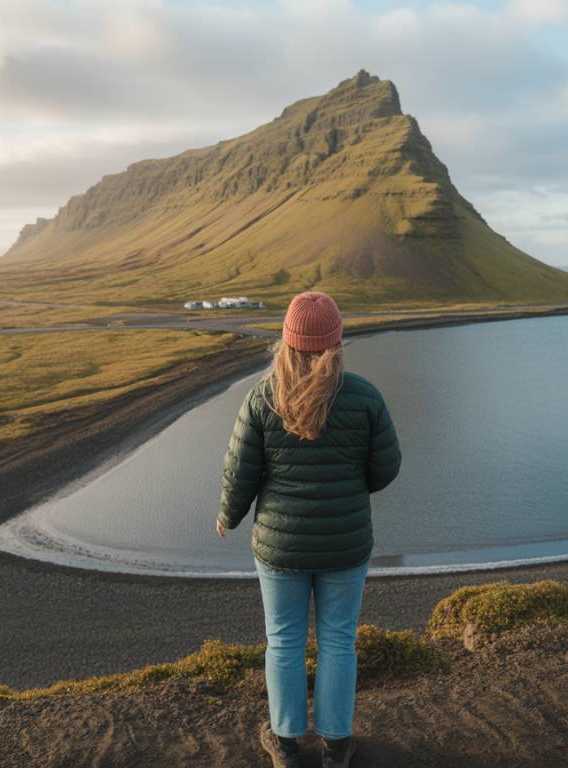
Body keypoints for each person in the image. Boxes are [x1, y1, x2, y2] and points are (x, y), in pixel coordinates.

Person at [216, 290, 402, 768]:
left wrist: (227, 516)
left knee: (283, 640)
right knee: (339, 638)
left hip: (280, 547)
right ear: (336, 343)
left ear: (287, 342)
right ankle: (337, 747)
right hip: (346, 542)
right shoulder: (363, 396)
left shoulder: (262, 398)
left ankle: (286, 744)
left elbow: (241, 472)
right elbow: (386, 469)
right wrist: (350, 486)